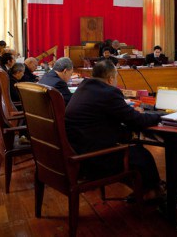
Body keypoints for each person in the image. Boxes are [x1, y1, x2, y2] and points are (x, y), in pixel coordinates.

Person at [65, 60, 163, 193]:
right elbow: (137, 121)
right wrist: (161, 116)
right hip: (94, 158)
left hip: (77, 151)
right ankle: (154, 194)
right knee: (142, 155)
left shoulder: (83, 87)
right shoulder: (108, 93)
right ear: (111, 79)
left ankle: (144, 189)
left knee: (133, 145)